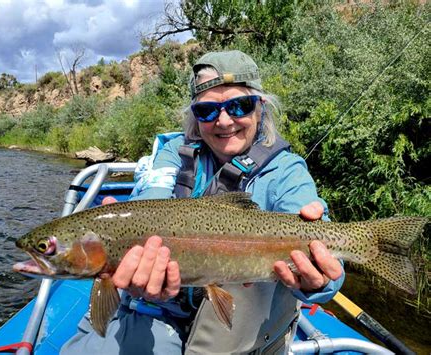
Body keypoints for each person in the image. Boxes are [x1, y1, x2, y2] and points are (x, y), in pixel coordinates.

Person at [62, 50, 344, 354]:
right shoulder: (173, 152)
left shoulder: (287, 171)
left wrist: (319, 282)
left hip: (243, 323)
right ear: (195, 117)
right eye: (208, 110)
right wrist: (127, 234)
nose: (224, 121)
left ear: (260, 109)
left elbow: (331, 266)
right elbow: (151, 201)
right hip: (163, 308)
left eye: (239, 106)